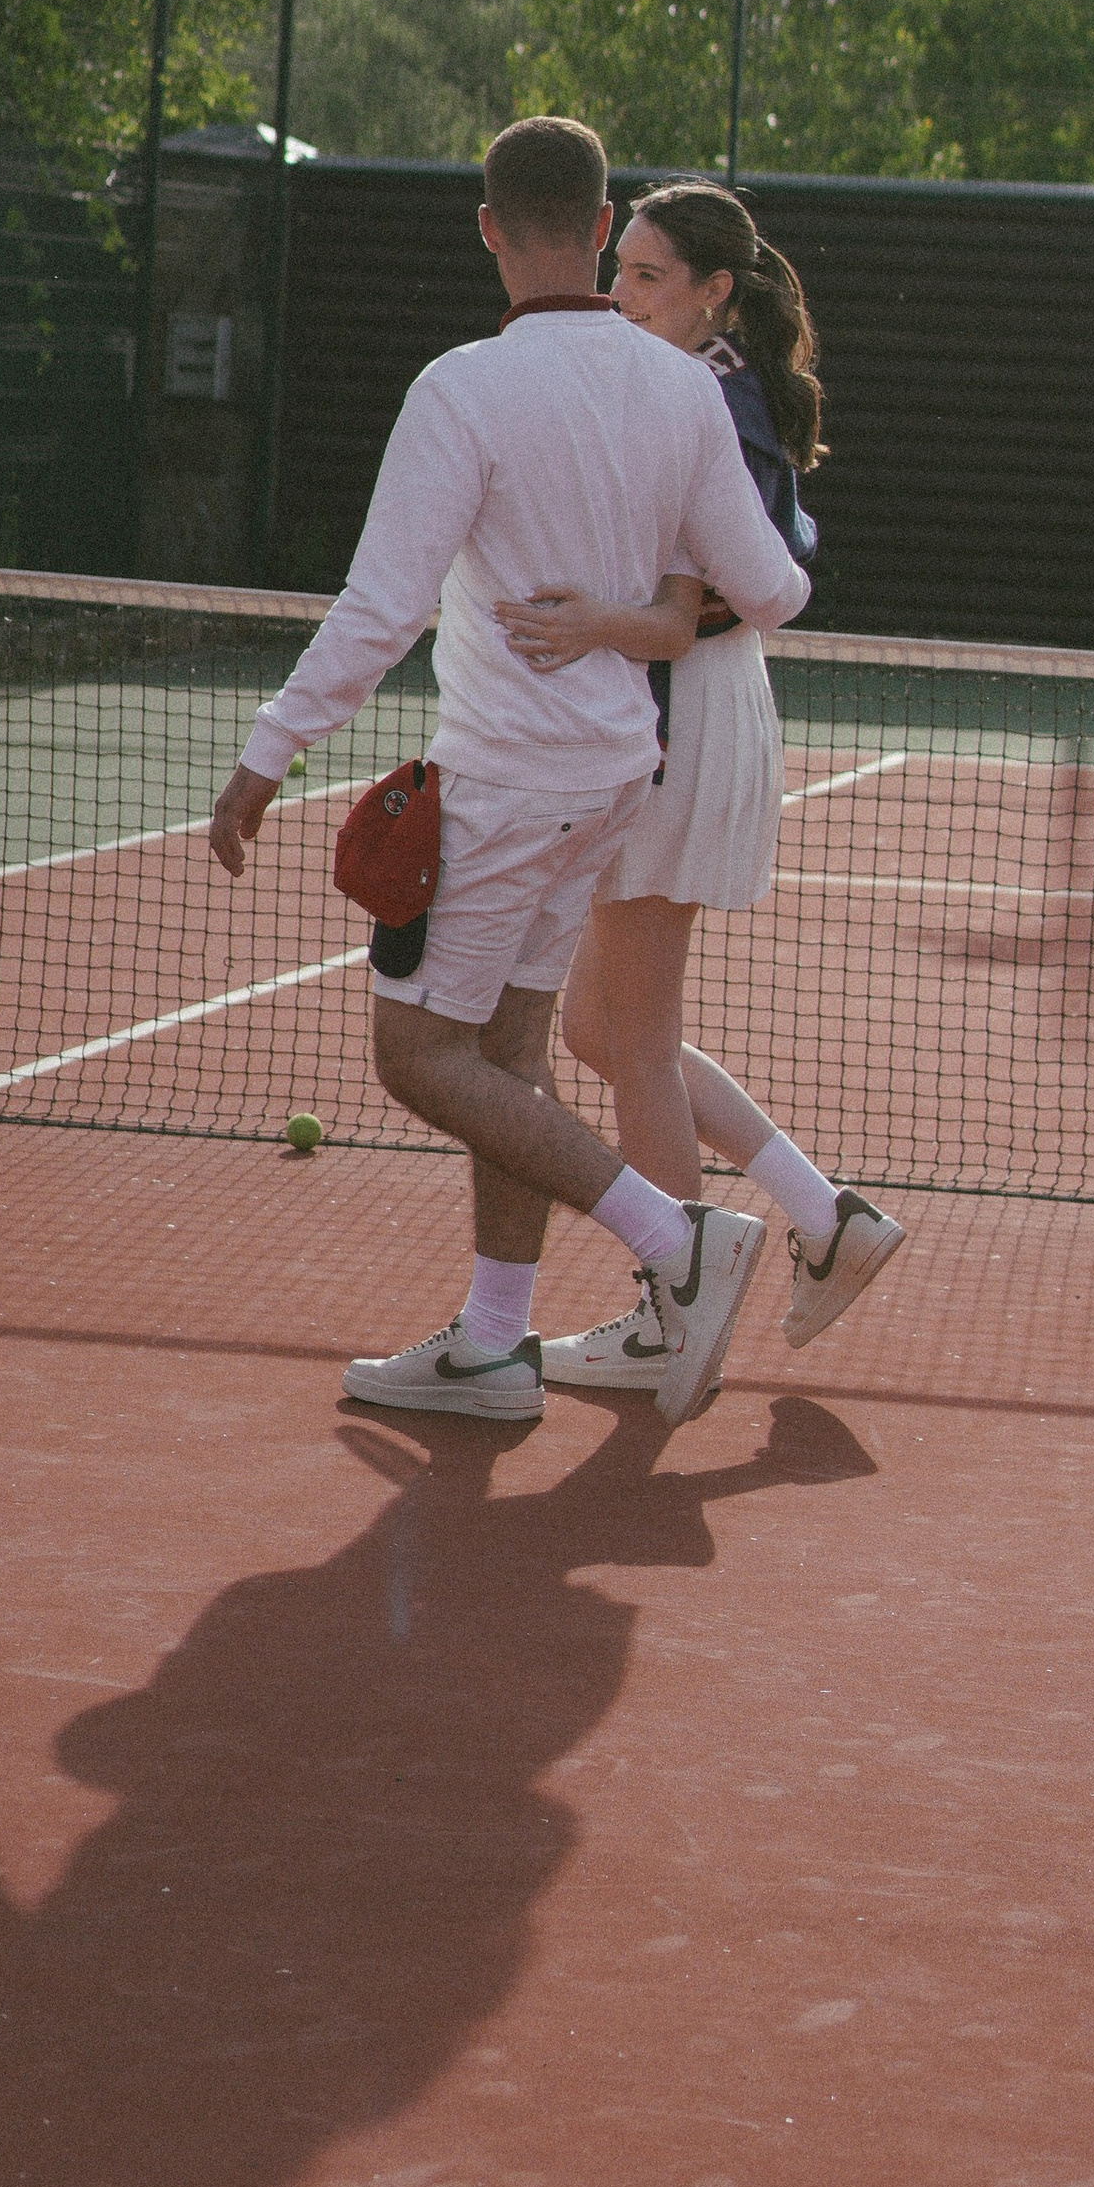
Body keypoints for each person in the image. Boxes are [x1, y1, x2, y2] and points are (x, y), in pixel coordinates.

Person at [207, 118, 810, 1429]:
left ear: (489, 229)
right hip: (612, 777)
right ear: (603, 231)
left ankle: (677, 1240)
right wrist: (651, 584)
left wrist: (268, 753)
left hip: (508, 779)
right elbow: (776, 587)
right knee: (513, 1053)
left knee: (421, 1056)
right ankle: (492, 1343)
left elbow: (381, 610)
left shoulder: (463, 391)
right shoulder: (683, 390)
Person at [493, 182, 905, 1394]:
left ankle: (674, 1310)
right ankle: (821, 1217)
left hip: (680, 714)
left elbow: (752, 573)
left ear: (714, 290)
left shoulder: (714, 396)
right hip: (675, 704)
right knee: (596, 1030)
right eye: (619, 271)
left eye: (648, 277)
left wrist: (598, 620)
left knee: (636, 1040)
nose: (620, 295)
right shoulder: (691, 384)